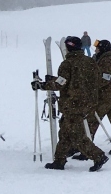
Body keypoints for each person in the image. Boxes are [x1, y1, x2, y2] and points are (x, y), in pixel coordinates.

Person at [34, 36, 107, 171]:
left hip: (74, 104)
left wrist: (43, 85)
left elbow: (61, 83)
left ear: (68, 47)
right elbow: (92, 79)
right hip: (89, 103)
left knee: (77, 135)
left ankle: (98, 155)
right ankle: (59, 160)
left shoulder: (67, 64)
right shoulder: (90, 62)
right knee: (66, 132)